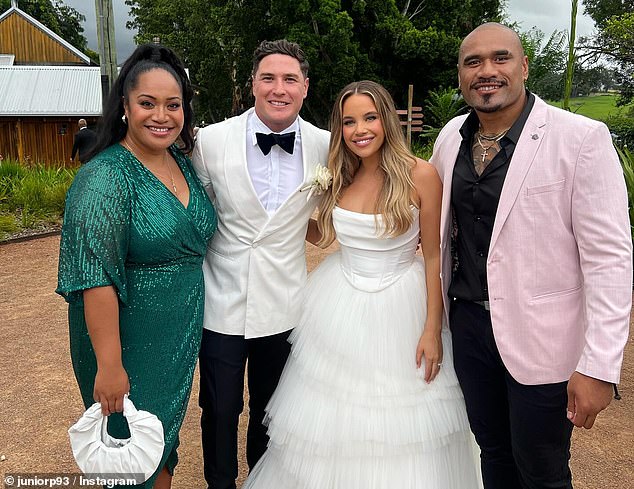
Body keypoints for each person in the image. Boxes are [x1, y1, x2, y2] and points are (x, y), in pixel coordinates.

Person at [241, 80, 482, 489]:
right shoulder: (339, 174)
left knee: (403, 421)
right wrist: (280, 214)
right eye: (349, 121)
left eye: (369, 117)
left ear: (386, 119)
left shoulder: (419, 174)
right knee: (332, 414)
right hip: (340, 304)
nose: (360, 129)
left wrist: (430, 329)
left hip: (401, 306)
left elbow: (434, 255)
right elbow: (321, 234)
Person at [430, 22, 632, 489]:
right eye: (473, 62)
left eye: (500, 58)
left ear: (523, 66)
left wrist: (599, 366)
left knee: (541, 470)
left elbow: (610, 260)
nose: (487, 71)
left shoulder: (580, 139)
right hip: (469, 331)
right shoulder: (450, 138)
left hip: (545, 341)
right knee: (494, 455)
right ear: (461, 75)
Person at [56, 44, 217, 488]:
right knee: (128, 459)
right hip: (127, 341)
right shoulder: (105, 176)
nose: (161, 115)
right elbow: (94, 278)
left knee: (159, 447)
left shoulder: (181, 163)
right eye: (147, 103)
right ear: (125, 107)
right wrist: (110, 366)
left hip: (175, 338)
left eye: (173, 105)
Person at [191, 39, 330, 489]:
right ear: (252, 83)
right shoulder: (210, 141)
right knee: (219, 408)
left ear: (305, 87)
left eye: (290, 79)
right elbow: (197, 214)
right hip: (221, 301)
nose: (279, 88)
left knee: (272, 411)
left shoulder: (327, 146)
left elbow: (336, 212)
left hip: (286, 304)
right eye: (268, 77)